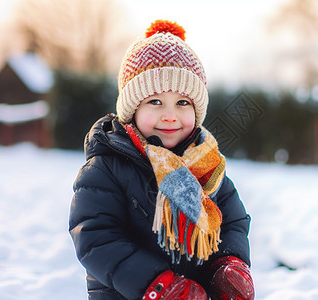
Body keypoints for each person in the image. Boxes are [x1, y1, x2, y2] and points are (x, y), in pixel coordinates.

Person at [69, 20, 254, 300]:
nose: (170, 115)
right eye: (155, 102)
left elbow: (234, 221)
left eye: (182, 103)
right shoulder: (106, 167)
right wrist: (157, 285)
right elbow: (97, 238)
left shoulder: (207, 166)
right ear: (132, 109)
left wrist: (229, 264)